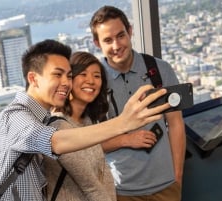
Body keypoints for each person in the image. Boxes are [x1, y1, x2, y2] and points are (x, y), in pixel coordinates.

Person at [0, 39, 170, 201]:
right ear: (33, 78)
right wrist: (123, 123)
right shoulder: (14, 117)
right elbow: (55, 141)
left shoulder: (42, 117)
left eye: (69, 75)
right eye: (57, 74)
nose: (66, 83)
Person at [90, 5, 186, 201]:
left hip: (166, 187)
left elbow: (176, 124)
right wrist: (126, 139)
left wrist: (177, 175)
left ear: (130, 31)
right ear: (97, 43)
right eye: (108, 40)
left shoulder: (160, 69)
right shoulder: (94, 82)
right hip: (121, 191)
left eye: (120, 35)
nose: (116, 45)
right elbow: (88, 145)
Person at [45, 51, 155, 201]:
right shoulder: (60, 126)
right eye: (83, 74)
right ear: (69, 79)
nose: (91, 81)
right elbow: (91, 186)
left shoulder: (87, 121)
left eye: (97, 76)